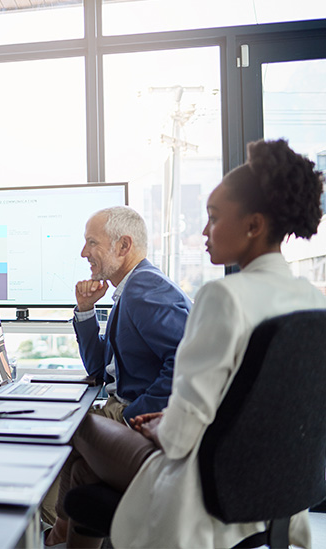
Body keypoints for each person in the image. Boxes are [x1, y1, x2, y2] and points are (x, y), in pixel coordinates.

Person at [62, 139, 325, 548]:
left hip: (201, 482)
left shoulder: (225, 297)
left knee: (74, 422)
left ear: (253, 225)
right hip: (275, 486)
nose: (203, 231)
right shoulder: (312, 300)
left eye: (214, 218)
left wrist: (154, 422)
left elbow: (181, 435)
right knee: (82, 478)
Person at [43, 206, 192, 543]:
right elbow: (99, 369)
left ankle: (53, 529)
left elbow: (186, 359)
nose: (84, 253)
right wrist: (85, 311)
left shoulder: (144, 289)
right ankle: (60, 532)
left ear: (123, 246)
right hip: (123, 404)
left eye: (92, 242)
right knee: (81, 473)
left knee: (72, 426)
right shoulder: (129, 290)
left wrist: (134, 416)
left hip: (140, 416)